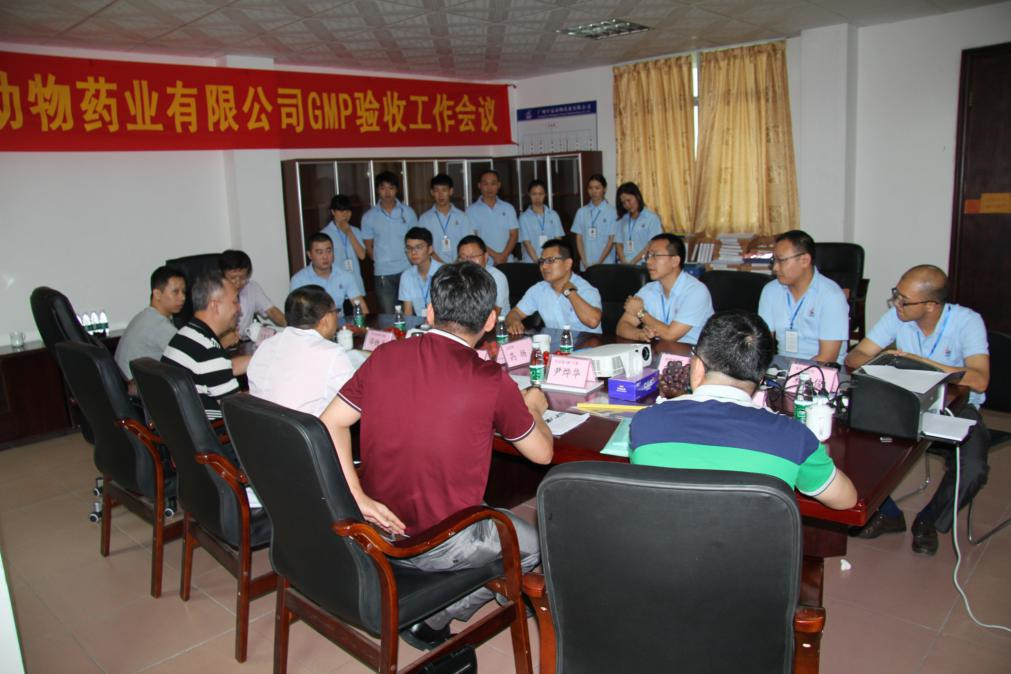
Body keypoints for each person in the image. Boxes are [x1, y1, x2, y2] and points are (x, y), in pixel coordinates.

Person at [319, 262, 553, 649]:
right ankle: (433, 618)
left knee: (480, 508)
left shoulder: (385, 354)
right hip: (440, 544)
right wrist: (534, 408)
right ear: (491, 320)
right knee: (536, 546)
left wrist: (357, 497)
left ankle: (452, 584)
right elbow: (543, 455)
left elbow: (329, 423)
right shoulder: (491, 379)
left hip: (376, 527)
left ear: (429, 312)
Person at [630, 310, 857, 509]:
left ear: (697, 366)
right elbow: (846, 500)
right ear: (761, 377)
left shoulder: (645, 423)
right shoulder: (795, 437)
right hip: (750, 547)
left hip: (660, 544)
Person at [845, 265, 990, 555]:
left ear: (931, 305)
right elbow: (854, 357)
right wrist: (884, 359)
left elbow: (979, 378)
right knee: (849, 444)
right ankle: (887, 514)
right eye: (896, 295)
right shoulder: (898, 317)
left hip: (954, 408)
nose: (896, 303)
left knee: (974, 468)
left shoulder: (967, 321)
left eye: (904, 300)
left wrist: (920, 363)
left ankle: (929, 519)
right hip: (903, 406)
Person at [247, 285, 354, 417]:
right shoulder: (332, 353)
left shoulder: (266, 345)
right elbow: (355, 399)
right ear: (326, 319)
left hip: (259, 425)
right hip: (304, 429)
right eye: (335, 311)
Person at [161, 272, 250, 421]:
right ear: (215, 306)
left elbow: (221, 368)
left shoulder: (186, 334)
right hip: (216, 431)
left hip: (180, 428)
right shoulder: (208, 350)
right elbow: (238, 410)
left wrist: (263, 357)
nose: (239, 308)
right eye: (235, 301)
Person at [758, 230, 849, 363]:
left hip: (823, 370)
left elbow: (827, 358)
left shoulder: (831, 296)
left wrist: (793, 374)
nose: (775, 268)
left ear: (805, 260)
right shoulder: (770, 291)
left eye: (781, 260)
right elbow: (763, 345)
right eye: (774, 260)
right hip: (783, 367)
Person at [616, 233, 714, 344]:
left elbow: (670, 335)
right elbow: (622, 326)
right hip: (659, 351)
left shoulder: (696, 291)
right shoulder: (648, 289)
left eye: (655, 256)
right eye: (648, 256)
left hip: (691, 352)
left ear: (675, 261)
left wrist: (640, 312)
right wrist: (640, 334)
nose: (648, 261)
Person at [505, 238, 602, 335]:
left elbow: (593, 321)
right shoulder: (539, 289)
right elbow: (514, 313)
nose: (544, 266)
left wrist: (571, 293)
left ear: (568, 264)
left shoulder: (585, 289)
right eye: (542, 261)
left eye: (550, 260)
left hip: (588, 343)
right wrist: (514, 322)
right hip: (556, 343)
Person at [114, 265, 186, 382]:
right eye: (175, 292)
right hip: (137, 389)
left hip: (127, 384)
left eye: (183, 292)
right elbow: (190, 359)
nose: (182, 297)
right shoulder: (159, 326)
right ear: (157, 294)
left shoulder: (146, 316)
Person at [361, 171, 418, 313]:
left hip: (407, 269)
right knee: (389, 315)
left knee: (411, 312)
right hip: (383, 273)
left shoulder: (408, 212)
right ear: (377, 190)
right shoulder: (369, 217)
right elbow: (369, 247)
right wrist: (381, 261)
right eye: (383, 188)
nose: (387, 192)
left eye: (391, 188)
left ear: (397, 190)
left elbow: (416, 241)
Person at [290, 233, 368, 315]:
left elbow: (361, 306)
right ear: (309, 255)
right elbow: (296, 313)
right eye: (319, 252)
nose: (325, 257)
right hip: (312, 322)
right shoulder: (299, 280)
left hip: (338, 321)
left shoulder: (345, 276)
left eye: (328, 251)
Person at [218, 249, 286, 343]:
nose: (238, 282)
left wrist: (292, 329)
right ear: (222, 275)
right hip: (220, 343)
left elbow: (272, 311)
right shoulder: (213, 294)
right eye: (233, 278)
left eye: (242, 277)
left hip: (244, 342)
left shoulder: (252, 288)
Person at [418, 173, 475, 264]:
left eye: (444, 190)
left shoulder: (462, 217)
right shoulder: (424, 219)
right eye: (436, 191)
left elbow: (469, 242)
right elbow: (423, 245)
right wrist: (442, 265)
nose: (440, 195)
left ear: (451, 191)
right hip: (434, 267)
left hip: (459, 265)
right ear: (432, 192)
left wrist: (456, 263)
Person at [466, 169, 518, 265]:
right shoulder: (471, 210)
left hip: (507, 261)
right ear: (479, 186)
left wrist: (504, 256)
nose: (489, 188)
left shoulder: (508, 208)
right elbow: (474, 238)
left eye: (493, 183)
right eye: (485, 184)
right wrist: (495, 256)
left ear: (499, 185)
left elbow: (514, 235)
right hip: (483, 263)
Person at [320, 194, 367, 295]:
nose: (345, 215)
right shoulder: (325, 234)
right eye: (341, 211)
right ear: (333, 212)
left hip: (355, 284)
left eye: (348, 211)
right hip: (335, 285)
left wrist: (349, 232)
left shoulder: (355, 231)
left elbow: (362, 255)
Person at [571, 173, 617, 270]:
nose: (593, 191)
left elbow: (611, 240)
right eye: (590, 188)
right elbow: (579, 238)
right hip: (586, 265)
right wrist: (584, 260)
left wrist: (599, 262)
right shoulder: (581, 212)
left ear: (604, 189)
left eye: (597, 188)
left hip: (606, 264)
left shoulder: (612, 212)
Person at [457, 235, 510, 315]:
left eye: (473, 256)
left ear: (486, 256)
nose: (468, 262)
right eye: (464, 257)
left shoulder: (497, 277)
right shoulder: (457, 277)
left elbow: (493, 314)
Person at [614, 182, 662, 265]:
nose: (627, 205)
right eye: (623, 203)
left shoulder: (651, 218)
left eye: (629, 200)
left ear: (637, 196)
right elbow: (618, 243)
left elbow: (651, 244)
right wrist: (624, 261)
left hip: (644, 264)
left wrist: (633, 262)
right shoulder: (623, 219)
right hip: (625, 265)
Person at [399, 227, 442, 317]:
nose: (413, 252)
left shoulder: (443, 272)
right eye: (409, 248)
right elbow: (408, 312)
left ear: (430, 249)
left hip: (442, 323)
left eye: (418, 247)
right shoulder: (406, 276)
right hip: (419, 323)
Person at [518, 178, 564, 263]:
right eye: (534, 194)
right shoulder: (523, 217)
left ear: (545, 194)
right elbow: (526, 243)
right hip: (531, 262)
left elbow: (558, 240)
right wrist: (538, 262)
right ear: (529, 194)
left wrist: (551, 259)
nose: (537, 197)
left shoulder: (553, 215)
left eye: (540, 194)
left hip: (551, 261)